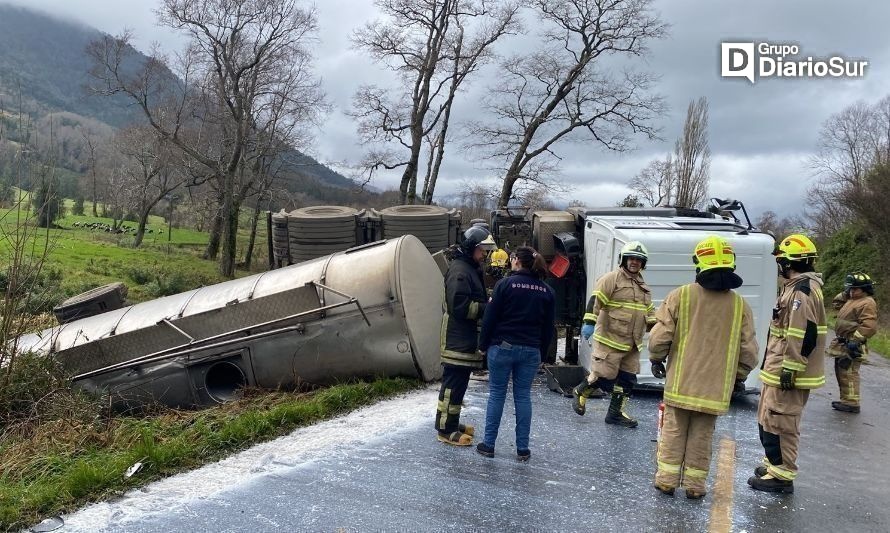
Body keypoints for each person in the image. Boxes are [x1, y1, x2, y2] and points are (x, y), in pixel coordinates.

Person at [648, 236, 759, 499]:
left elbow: (660, 336)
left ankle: (666, 480)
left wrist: (656, 358)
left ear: (699, 263)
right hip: (716, 388)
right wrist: (739, 376)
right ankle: (695, 487)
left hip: (680, 383)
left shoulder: (681, 296)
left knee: (674, 431)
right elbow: (749, 349)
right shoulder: (740, 305)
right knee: (702, 435)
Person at [748, 233, 827, 494]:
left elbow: (802, 333)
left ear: (790, 263)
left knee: (782, 422)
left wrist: (791, 368)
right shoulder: (797, 287)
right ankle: (775, 463)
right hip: (778, 367)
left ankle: (782, 475)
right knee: (769, 418)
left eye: (782, 261)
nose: (780, 266)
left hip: (787, 370)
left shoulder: (801, 293)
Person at [475, 246, 555, 461]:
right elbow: (549, 328)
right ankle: (522, 449)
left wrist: (483, 345)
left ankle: (488, 444)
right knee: (522, 396)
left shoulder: (505, 285)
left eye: (512, 258)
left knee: (497, 394)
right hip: (530, 351)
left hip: (503, 348)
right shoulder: (547, 291)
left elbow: (490, 318)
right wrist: (543, 355)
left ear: (517, 260)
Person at [571, 241, 656, 427]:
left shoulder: (643, 286)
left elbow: (648, 310)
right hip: (610, 340)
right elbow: (596, 300)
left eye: (639, 260)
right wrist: (588, 322)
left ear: (643, 263)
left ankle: (615, 414)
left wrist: (655, 325)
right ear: (624, 260)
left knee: (627, 380)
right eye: (631, 258)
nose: (634, 262)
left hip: (632, 343)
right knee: (604, 377)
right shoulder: (612, 278)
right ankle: (580, 391)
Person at [435, 225, 497, 446]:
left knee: (460, 384)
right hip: (456, 340)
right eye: (482, 250)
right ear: (472, 248)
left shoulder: (469, 267)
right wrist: (486, 308)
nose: (485, 254)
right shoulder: (460, 271)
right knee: (452, 386)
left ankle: (452, 420)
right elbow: (459, 307)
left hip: (464, 339)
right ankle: (445, 429)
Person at [827, 272, 878, 413]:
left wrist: (855, 340)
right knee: (841, 371)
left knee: (848, 372)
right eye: (850, 288)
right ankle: (846, 399)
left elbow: (869, 326)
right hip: (843, 343)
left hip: (852, 344)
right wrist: (845, 293)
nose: (851, 291)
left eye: (855, 289)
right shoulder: (852, 299)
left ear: (865, 289)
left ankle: (851, 403)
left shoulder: (867, 302)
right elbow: (836, 304)